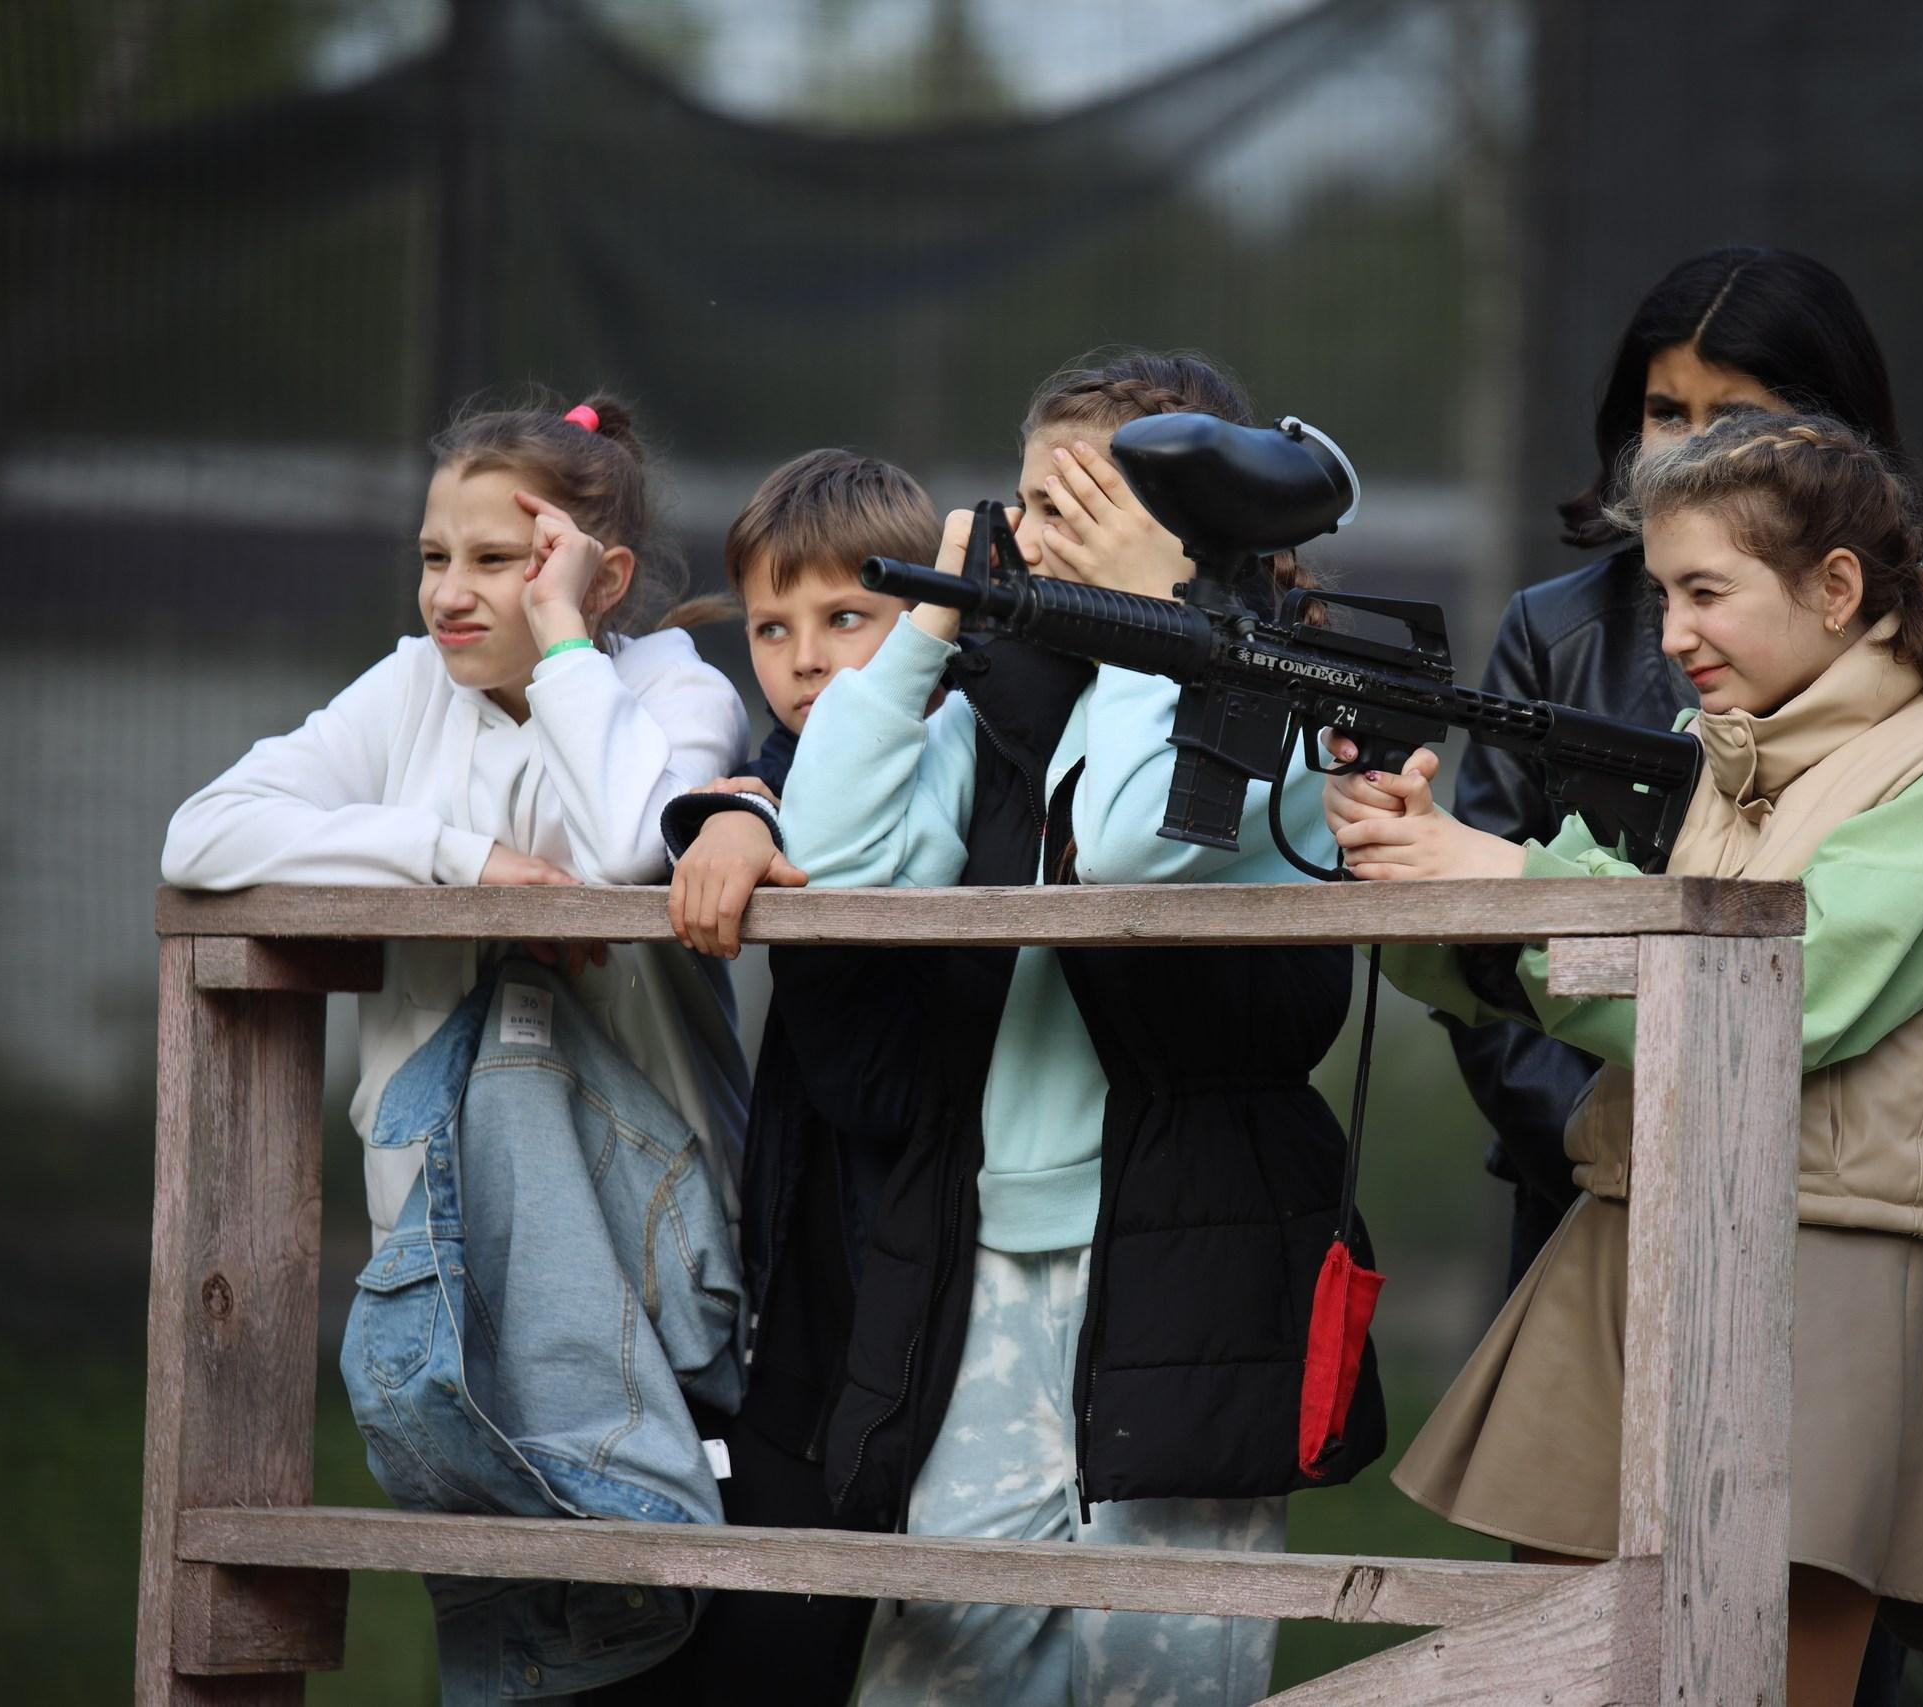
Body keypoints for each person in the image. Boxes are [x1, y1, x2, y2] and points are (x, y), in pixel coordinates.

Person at [1328, 410, 1923, 1707]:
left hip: (1819, 1269)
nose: (1669, 634)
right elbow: (1624, 999)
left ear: (1836, 587)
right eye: (1663, 591)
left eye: (1704, 591)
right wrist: (1429, 883)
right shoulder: (1741, 750)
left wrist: (1508, 871)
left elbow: (1790, 997)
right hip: (1631, 1232)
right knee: (1544, 1679)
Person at [777, 350, 1385, 1707]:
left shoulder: (1263, 691)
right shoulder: (1006, 699)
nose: (1045, 536)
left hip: (1192, 1255)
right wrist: (933, 621)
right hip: (994, 1252)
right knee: (942, 1648)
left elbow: (1129, 843)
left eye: (1091, 504)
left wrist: (1149, 613)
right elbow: (827, 851)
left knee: (1159, 1665)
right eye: (1030, 501)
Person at [161, 392, 751, 1250]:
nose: (449, 593)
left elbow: (629, 849)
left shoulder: (680, 693)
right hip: (436, 1241)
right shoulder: (409, 687)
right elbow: (202, 832)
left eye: (498, 558)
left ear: (602, 577)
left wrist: (561, 637)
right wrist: (457, 859)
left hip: (658, 1232)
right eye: (436, 556)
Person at [1455, 245, 1911, 1294]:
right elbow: (1475, 957)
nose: (1688, 446)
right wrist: (1588, 1141)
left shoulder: (1904, 661)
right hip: (1575, 1199)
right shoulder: (1553, 632)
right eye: (1666, 411)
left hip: (1817, 1207)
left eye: (1734, 415)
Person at [593, 448, 940, 1707]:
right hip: (806, 1268)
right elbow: (742, 802)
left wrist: (751, 814)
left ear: (929, 627)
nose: (803, 658)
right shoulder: (777, 768)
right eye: (772, 627)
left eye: (848, 617)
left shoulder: (953, 756)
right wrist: (731, 814)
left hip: (940, 1263)